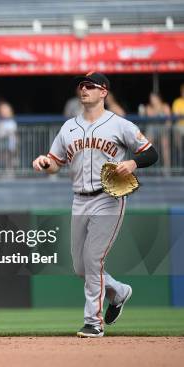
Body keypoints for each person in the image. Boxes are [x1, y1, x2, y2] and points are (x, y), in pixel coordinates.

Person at [33, 72, 158, 338]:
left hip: (108, 198)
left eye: (90, 86)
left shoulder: (119, 125)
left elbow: (150, 152)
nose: (84, 89)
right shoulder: (68, 127)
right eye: (81, 86)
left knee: (93, 260)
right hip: (79, 198)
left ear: (104, 92)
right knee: (81, 266)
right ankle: (119, 292)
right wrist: (45, 163)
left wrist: (133, 163)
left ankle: (93, 322)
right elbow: (56, 163)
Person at [0, 101, 18, 173]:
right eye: (2, 111)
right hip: (2, 144)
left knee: (10, 158)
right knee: (4, 158)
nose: (4, 112)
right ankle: (5, 170)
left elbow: (13, 132)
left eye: (6, 111)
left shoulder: (12, 122)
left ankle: (10, 170)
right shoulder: (0, 122)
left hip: (11, 144)